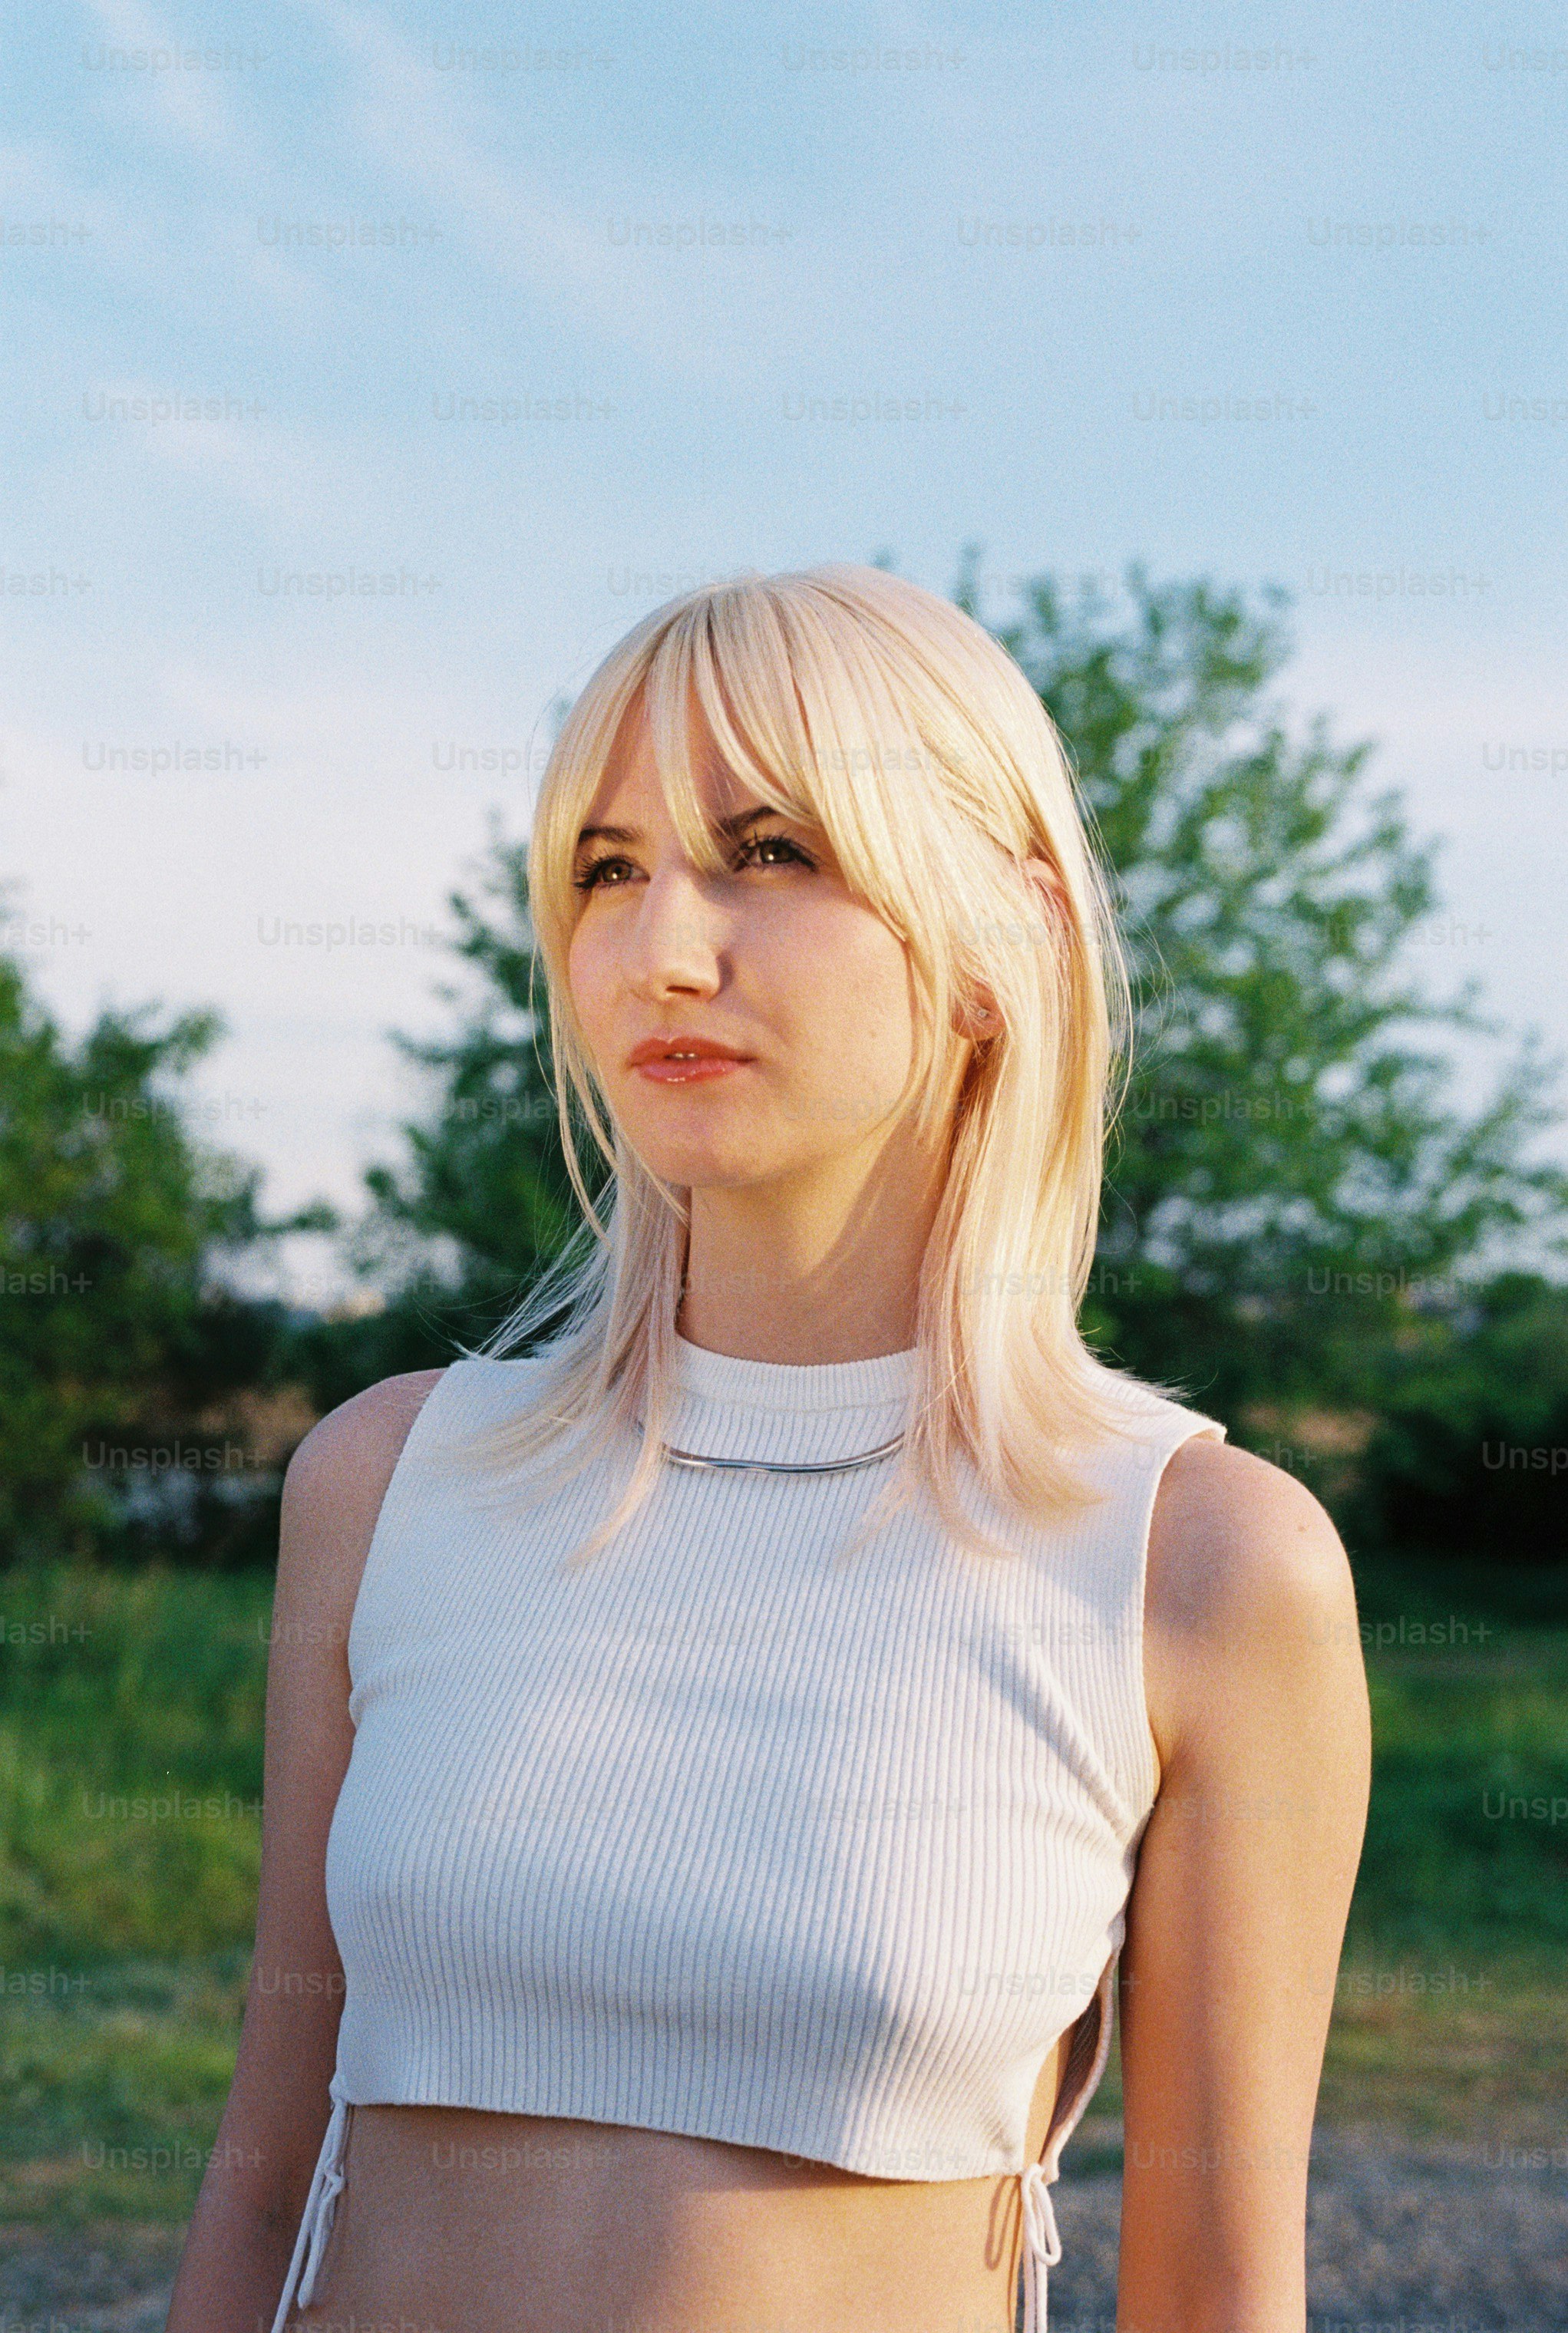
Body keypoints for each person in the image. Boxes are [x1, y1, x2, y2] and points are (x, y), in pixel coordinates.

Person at [167, 563, 1371, 2333]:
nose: (663, 943)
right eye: (607, 866)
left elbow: (1210, 2294)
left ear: (999, 942)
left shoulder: (1199, 1561)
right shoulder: (384, 1481)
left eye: (773, 850)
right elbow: (269, 2164)